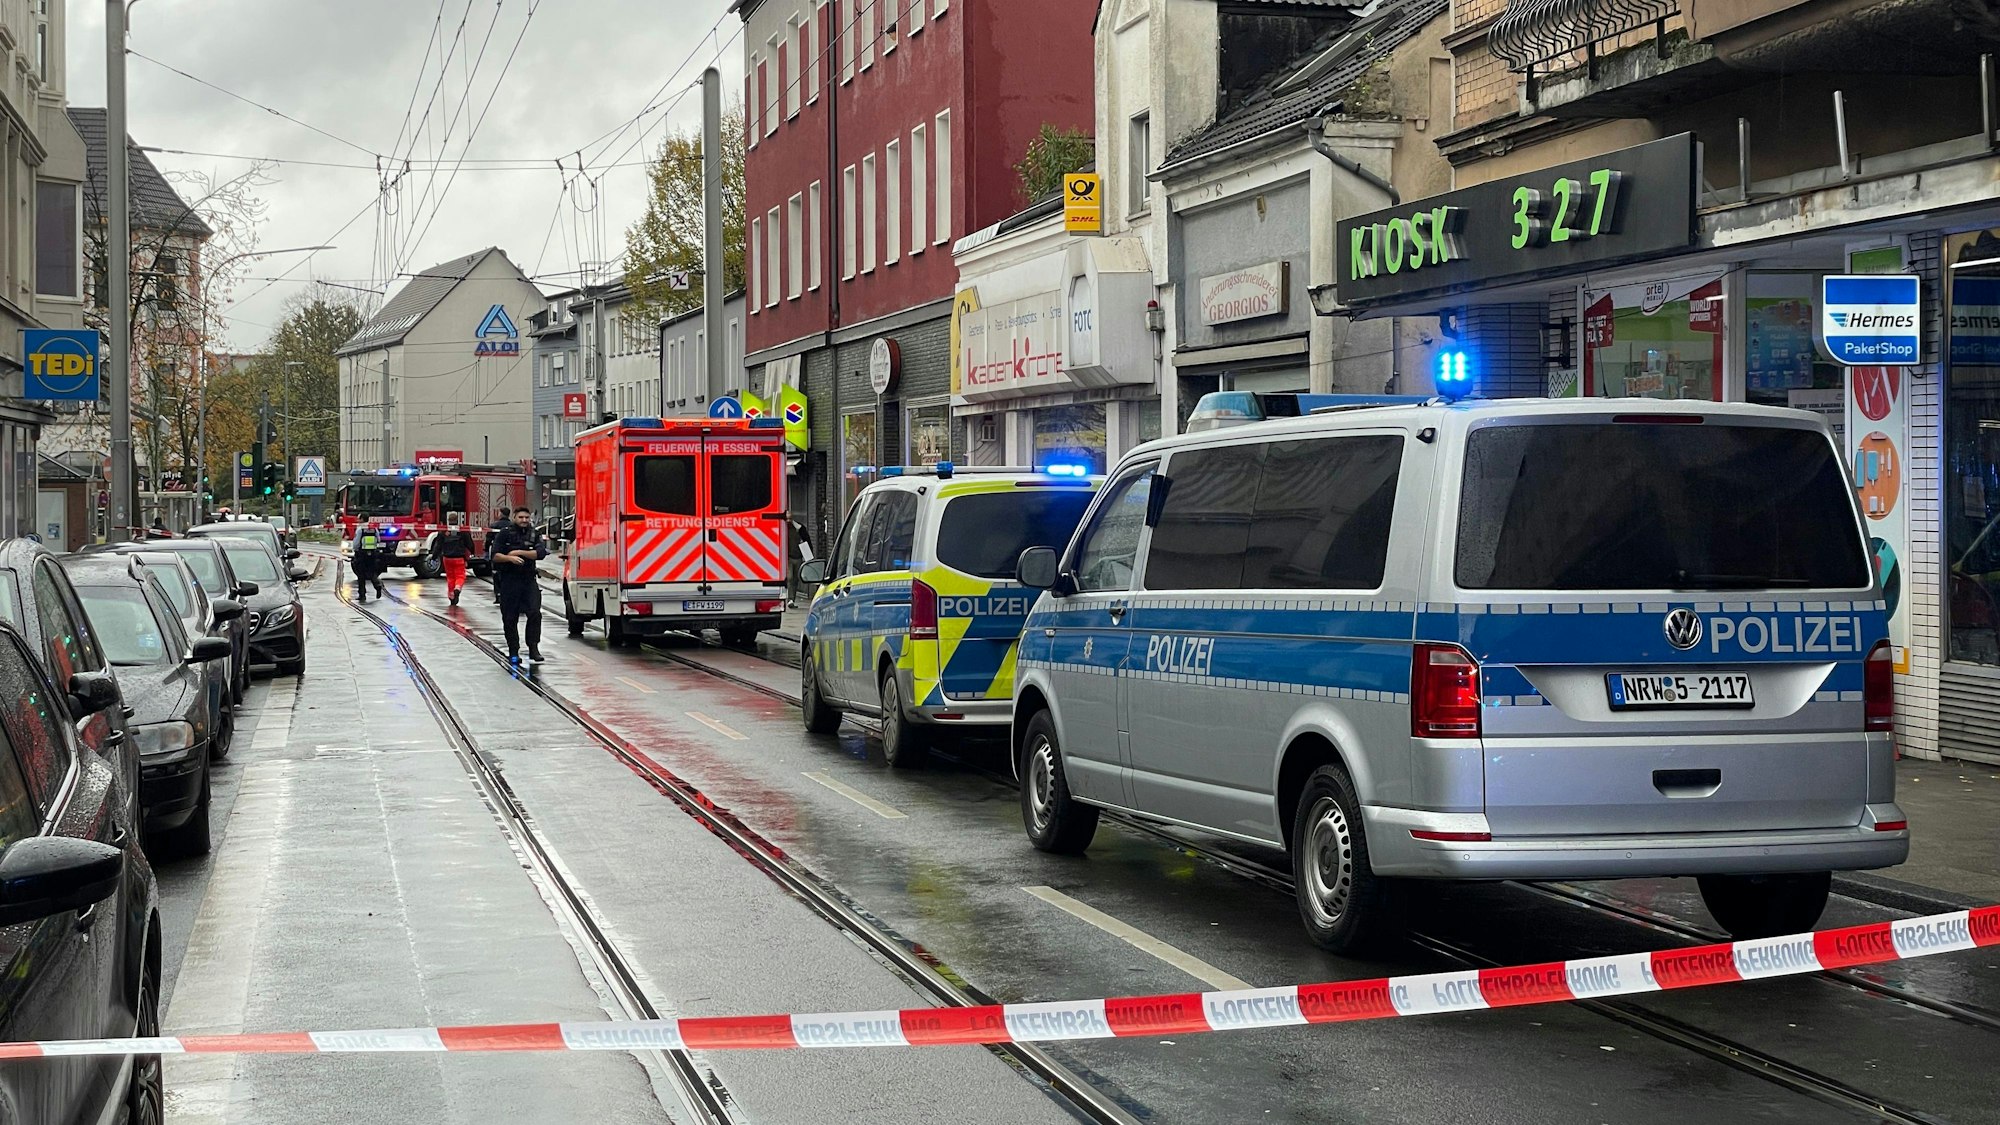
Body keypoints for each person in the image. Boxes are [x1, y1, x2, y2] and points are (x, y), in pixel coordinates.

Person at [489, 506, 548, 664]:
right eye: (521, 517)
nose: (524, 520)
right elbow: (495, 555)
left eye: (526, 518)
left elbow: (540, 553)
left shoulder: (534, 534)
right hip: (509, 580)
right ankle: (513, 650)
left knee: (534, 613)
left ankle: (533, 648)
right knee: (510, 617)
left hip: (528, 580)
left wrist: (518, 553)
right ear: (514, 517)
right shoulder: (505, 533)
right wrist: (509, 559)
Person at [430, 525, 474, 606]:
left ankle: (451, 596)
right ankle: (457, 588)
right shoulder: (463, 530)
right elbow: (469, 544)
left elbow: (438, 545)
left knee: (450, 577)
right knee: (460, 576)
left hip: (447, 558)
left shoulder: (443, 531)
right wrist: (472, 553)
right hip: (459, 558)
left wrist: (434, 557)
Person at [351, 522, 390, 602]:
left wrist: (355, 549)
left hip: (362, 554)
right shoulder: (374, 529)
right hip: (372, 554)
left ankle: (362, 595)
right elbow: (378, 540)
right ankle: (377, 586)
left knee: (361, 575)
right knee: (372, 572)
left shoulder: (360, 529)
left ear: (361, 519)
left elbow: (356, 543)